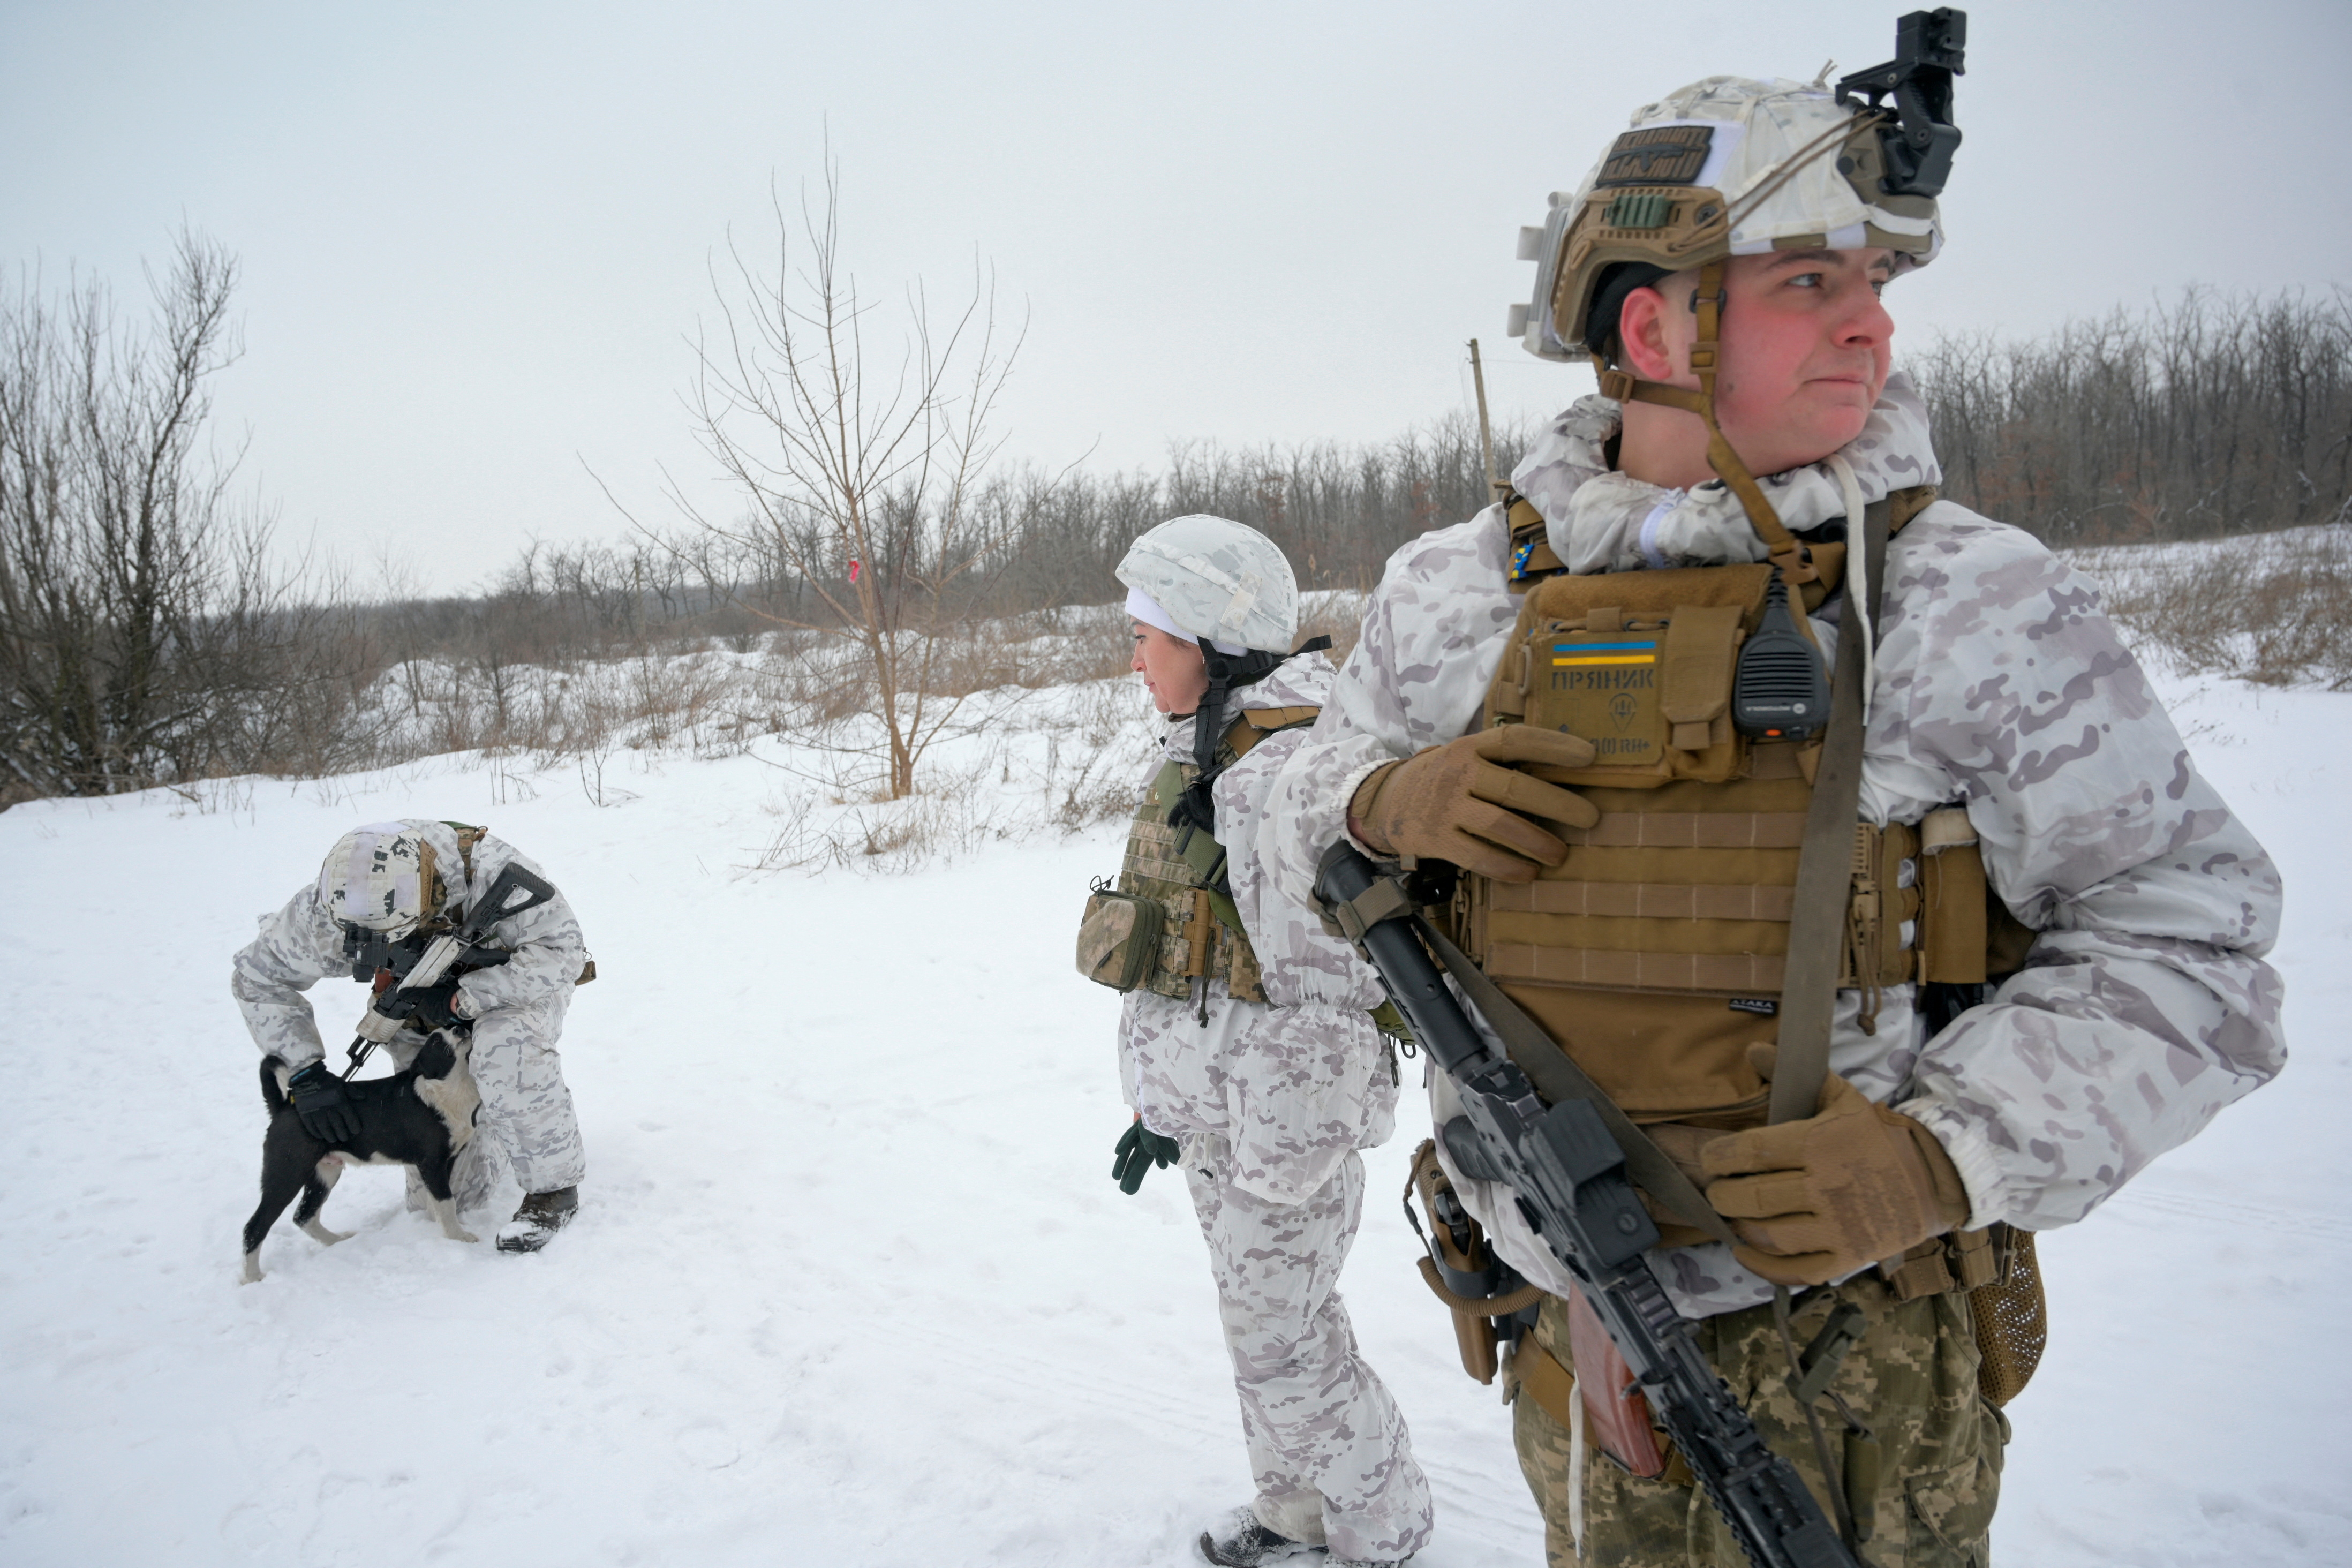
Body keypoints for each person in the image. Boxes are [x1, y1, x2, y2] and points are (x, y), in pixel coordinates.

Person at [1258, 69, 2285, 1566]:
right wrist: (1376, 793)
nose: (1873, 321)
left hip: (1855, 1372)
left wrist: (1941, 1156)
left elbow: (2200, 951)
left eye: (1874, 282)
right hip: (1567, 1337)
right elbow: (1288, 832)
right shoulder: (1457, 591)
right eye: (1813, 281)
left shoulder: (1961, 600)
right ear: (1654, 327)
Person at [1079, 515, 1433, 1567]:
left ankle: (1385, 1532)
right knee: (1266, 1343)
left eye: (1148, 631)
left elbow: (1327, 1013)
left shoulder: (1278, 786)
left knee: (1291, 1345)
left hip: (1275, 1142)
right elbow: (1198, 971)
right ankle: (1296, 1516)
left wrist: (1276, 1170)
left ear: (1210, 641)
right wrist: (1167, 1111)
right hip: (1221, 1123)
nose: (1135, 654)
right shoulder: (1213, 760)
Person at [233, 819, 593, 1254]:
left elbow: (562, 954)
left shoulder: (491, 872)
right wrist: (305, 1071)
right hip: (416, 1009)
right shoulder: (327, 907)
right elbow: (257, 978)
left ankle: (553, 1189)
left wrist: (464, 1000)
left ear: (430, 895)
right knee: (445, 1198)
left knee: (504, 1053)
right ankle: (492, 1123)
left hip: (514, 991)